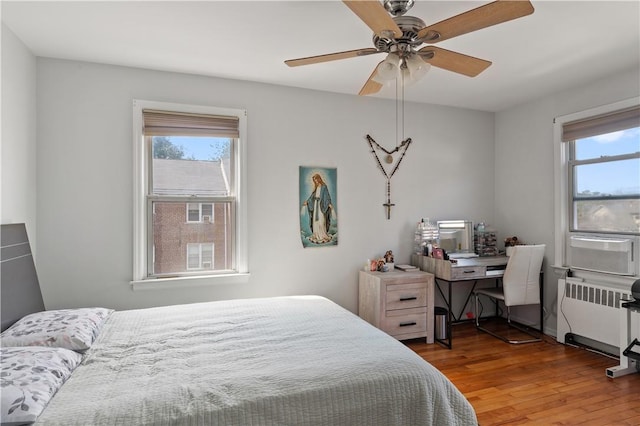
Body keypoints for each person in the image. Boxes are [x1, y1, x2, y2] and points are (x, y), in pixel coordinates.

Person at [303, 173, 334, 244]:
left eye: (316, 179)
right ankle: (316, 235)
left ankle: (322, 235)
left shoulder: (324, 187)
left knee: (321, 220)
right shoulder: (316, 187)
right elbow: (312, 197)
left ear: (319, 179)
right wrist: (307, 202)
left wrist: (329, 203)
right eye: (314, 180)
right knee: (315, 221)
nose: (315, 181)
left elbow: (327, 196)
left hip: (321, 206)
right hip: (316, 205)